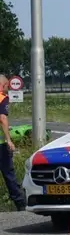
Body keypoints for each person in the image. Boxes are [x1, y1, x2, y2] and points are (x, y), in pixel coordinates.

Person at [0, 75, 25, 211]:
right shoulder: (2, 98)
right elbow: (3, 118)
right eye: (7, 87)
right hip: (0, 145)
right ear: (2, 85)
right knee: (8, 173)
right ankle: (20, 204)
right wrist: (8, 139)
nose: (7, 90)